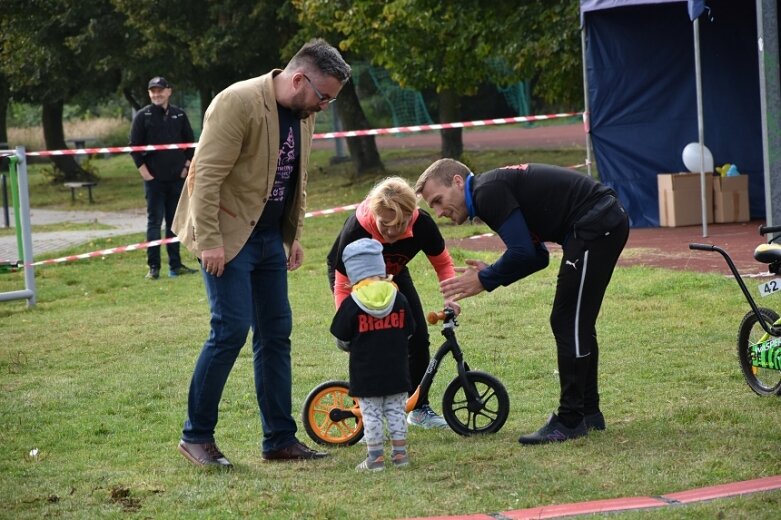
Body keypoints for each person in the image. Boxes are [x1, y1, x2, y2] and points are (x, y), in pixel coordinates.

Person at [172, 39, 352, 468]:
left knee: (276, 334)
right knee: (230, 330)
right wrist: (211, 240)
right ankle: (195, 437)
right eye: (323, 96)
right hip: (228, 237)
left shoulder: (303, 114)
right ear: (298, 79)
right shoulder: (236, 102)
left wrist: (294, 236)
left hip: (271, 238)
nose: (324, 106)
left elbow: (296, 177)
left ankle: (279, 440)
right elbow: (206, 177)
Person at [415, 159, 629, 445]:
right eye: (434, 207)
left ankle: (570, 419)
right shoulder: (487, 191)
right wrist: (489, 276)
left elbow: (524, 254)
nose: (439, 212)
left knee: (567, 320)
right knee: (575, 321)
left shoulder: (486, 192)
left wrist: (485, 279)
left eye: (439, 201)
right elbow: (536, 256)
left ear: (457, 181)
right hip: (599, 221)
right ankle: (588, 413)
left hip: (594, 223)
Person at [327, 176, 459, 429]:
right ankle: (369, 412)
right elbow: (343, 280)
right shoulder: (357, 229)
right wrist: (347, 323)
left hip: (394, 273)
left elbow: (443, 264)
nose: (388, 232)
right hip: (351, 278)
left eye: (396, 225)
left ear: (410, 216)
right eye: (383, 224)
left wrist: (450, 299)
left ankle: (418, 409)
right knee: (370, 342)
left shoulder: (423, 226)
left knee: (418, 336)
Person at [331, 238, 415, 471]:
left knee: (373, 416)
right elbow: (411, 330)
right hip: (397, 370)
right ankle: (400, 456)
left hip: (365, 374)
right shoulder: (399, 297)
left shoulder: (352, 303)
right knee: (396, 412)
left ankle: (375, 459)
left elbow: (341, 337)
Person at [129, 76, 197, 280]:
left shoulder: (179, 115)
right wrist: (145, 173)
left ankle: (175, 266)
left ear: (169, 91)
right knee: (154, 223)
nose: (156, 94)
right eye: (152, 91)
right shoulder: (143, 116)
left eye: (160, 90)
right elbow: (134, 147)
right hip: (154, 181)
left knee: (174, 223)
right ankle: (154, 267)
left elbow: (190, 144)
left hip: (177, 178)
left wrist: (186, 168)